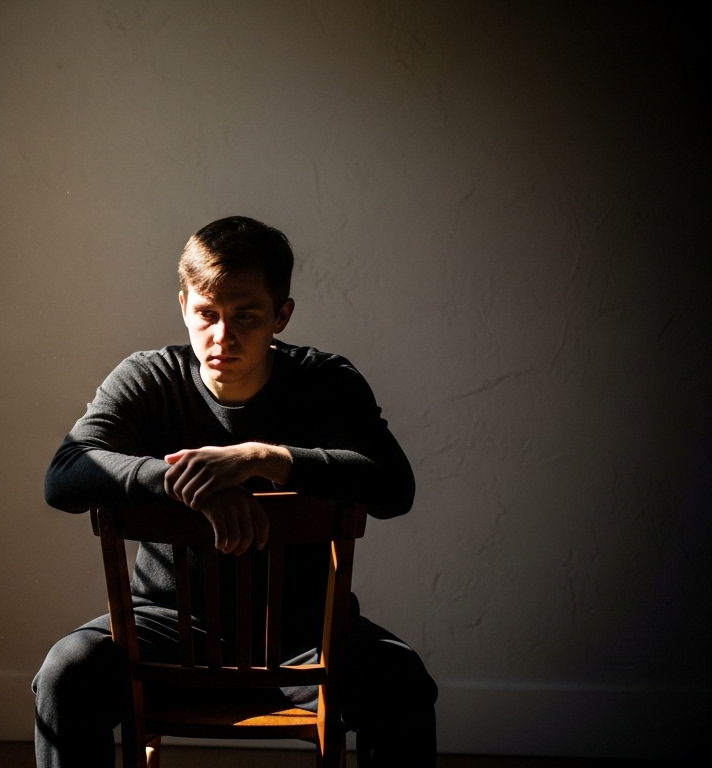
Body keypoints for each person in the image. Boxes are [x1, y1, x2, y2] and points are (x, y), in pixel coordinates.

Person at [35, 216, 438, 767]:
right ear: (184, 307)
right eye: (207, 314)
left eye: (246, 317)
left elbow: (394, 487)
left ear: (282, 315)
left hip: (305, 639)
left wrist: (263, 458)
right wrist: (189, 484)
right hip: (163, 632)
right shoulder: (148, 378)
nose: (222, 337)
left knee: (399, 681)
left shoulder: (325, 382)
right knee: (67, 674)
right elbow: (64, 475)